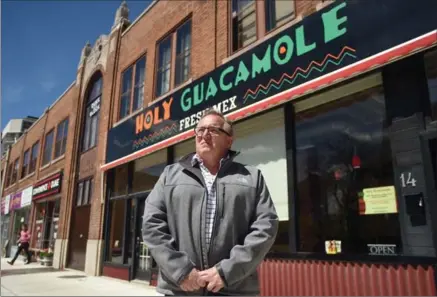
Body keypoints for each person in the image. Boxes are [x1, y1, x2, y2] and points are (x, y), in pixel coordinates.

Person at [142, 109, 279, 296]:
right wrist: (181, 271)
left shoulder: (251, 177)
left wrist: (226, 272)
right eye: (200, 130)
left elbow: (266, 227)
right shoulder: (170, 176)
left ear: (229, 140)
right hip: (181, 289)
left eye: (213, 130)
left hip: (233, 289)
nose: (204, 135)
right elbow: (152, 225)